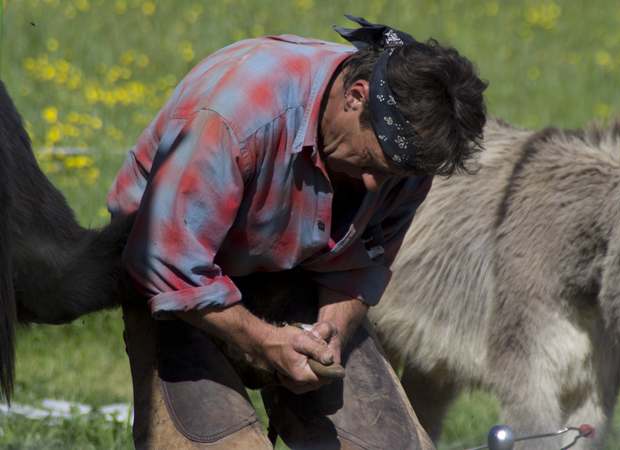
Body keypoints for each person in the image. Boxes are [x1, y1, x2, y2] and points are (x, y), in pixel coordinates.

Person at [106, 15, 487, 449]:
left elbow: (361, 267)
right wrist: (263, 342)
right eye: (371, 165)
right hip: (176, 280)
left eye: (392, 175)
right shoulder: (239, 116)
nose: (373, 187)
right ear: (356, 97)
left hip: (294, 270)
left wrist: (330, 335)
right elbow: (164, 262)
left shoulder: (403, 158)